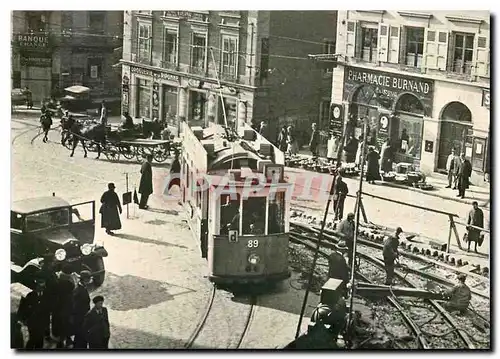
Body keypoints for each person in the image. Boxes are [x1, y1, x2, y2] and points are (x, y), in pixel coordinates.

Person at [17, 277, 52, 349]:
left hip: (42, 321)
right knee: (33, 338)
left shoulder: (46, 295)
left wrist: (47, 322)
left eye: (43, 287)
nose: (42, 288)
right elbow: (22, 307)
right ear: (36, 286)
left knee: (40, 340)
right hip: (32, 322)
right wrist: (23, 319)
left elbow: (48, 309)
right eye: (40, 286)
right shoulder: (29, 295)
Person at [51, 267, 75, 348]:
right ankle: (64, 340)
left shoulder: (57, 282)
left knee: (58, 323)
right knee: (65, 324)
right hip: (66, 308)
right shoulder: (70, 284)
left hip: (57, 307)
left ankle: (59, 340)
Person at [73, 270, 92, 349]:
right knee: (80, 336)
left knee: (81, 336)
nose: (90, 280)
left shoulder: (82, 287)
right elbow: (75, 306)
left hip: (82, 316)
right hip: (80, 317)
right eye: (88, 278)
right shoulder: (79, 290)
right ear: (84, 279)